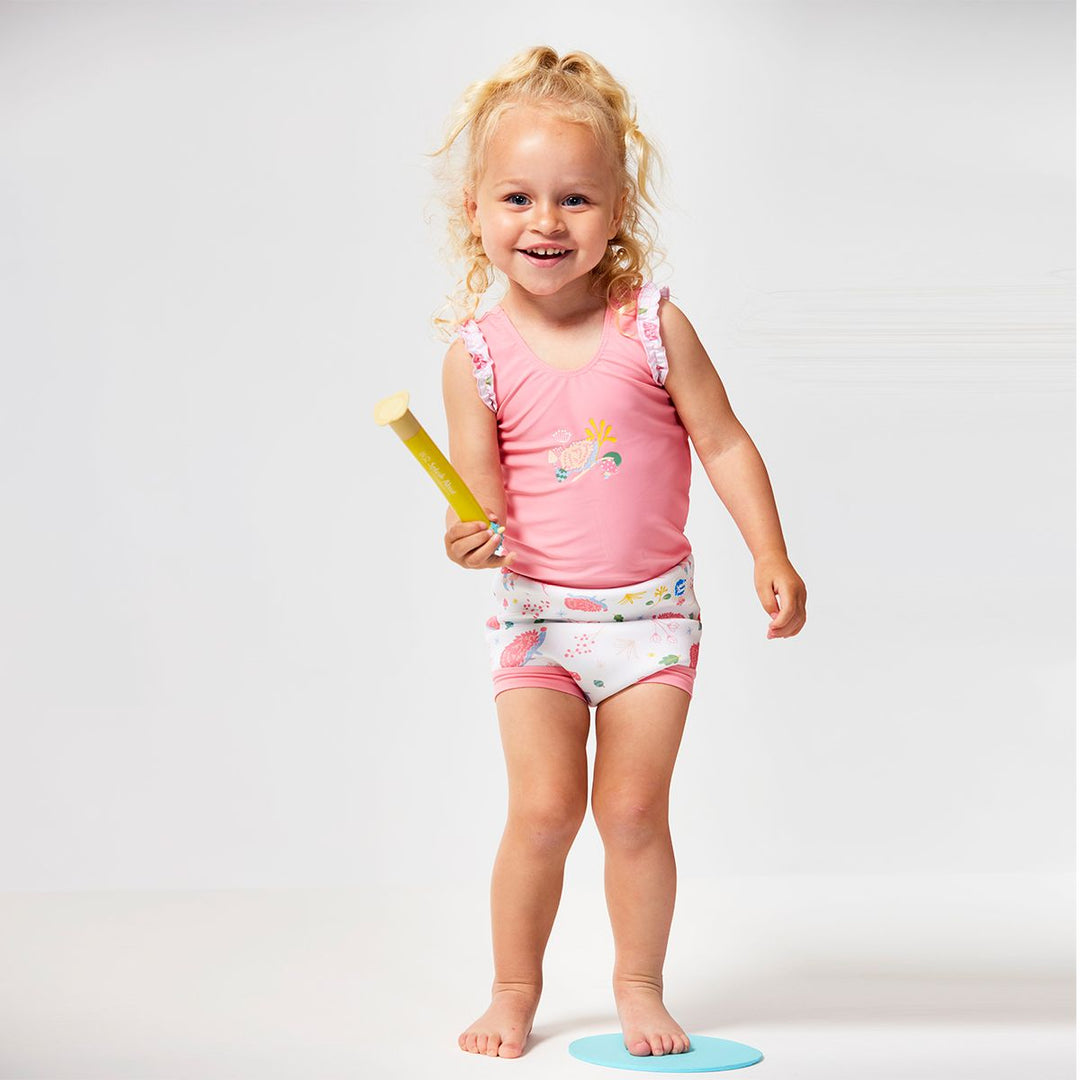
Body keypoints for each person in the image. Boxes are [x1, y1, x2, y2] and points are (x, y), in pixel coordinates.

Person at [426, 45, 807, 1060]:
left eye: (575, 200)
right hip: (541, 620)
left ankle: (639, 984)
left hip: (649, 620)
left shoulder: (653, 327)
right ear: (475, 209)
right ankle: (514, 988)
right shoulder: (475, 356)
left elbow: (723, 440)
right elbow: (481, 499)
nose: (545, 223)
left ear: (617, 210)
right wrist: (470, 537)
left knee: (634, 811)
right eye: (517, 196)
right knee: (544, 810)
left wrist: (770, 550)